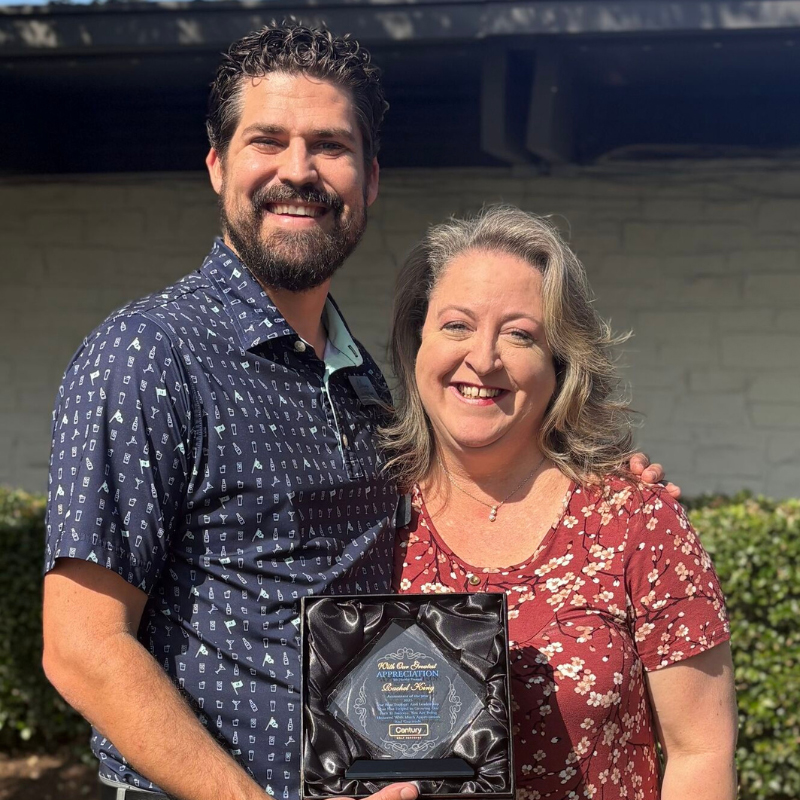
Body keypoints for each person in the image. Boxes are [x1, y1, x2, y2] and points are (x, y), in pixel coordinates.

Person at [41, 23, 674, 800]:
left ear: (370, 179)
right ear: (217, 165)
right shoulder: (149, 354)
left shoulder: (366, 383)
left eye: (331, 146)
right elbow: (80, 645)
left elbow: (481, 474)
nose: (298, 172)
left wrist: (601, 488)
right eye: (267, 141)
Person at [388, 206, 737, 800]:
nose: (483, 357)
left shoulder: (636, 521)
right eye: (456, 325)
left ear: (561, 364)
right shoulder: (367, 519)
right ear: (418, 339)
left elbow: (700, 750)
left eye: (520, 333)